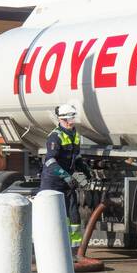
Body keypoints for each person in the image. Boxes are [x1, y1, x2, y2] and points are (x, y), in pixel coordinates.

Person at [40, 103, 89, 244]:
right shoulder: (55, 137)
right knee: (54, 214)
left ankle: (74, 248)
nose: (70, 122)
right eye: (67, 120)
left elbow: (76, 157)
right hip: (52, 182)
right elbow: (50, 161)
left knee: (73, 214)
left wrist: (85, 170)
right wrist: (65, 176)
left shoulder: (75, 135)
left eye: (72, 119)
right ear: (61, 120)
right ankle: (54, 245)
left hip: (68, 182)